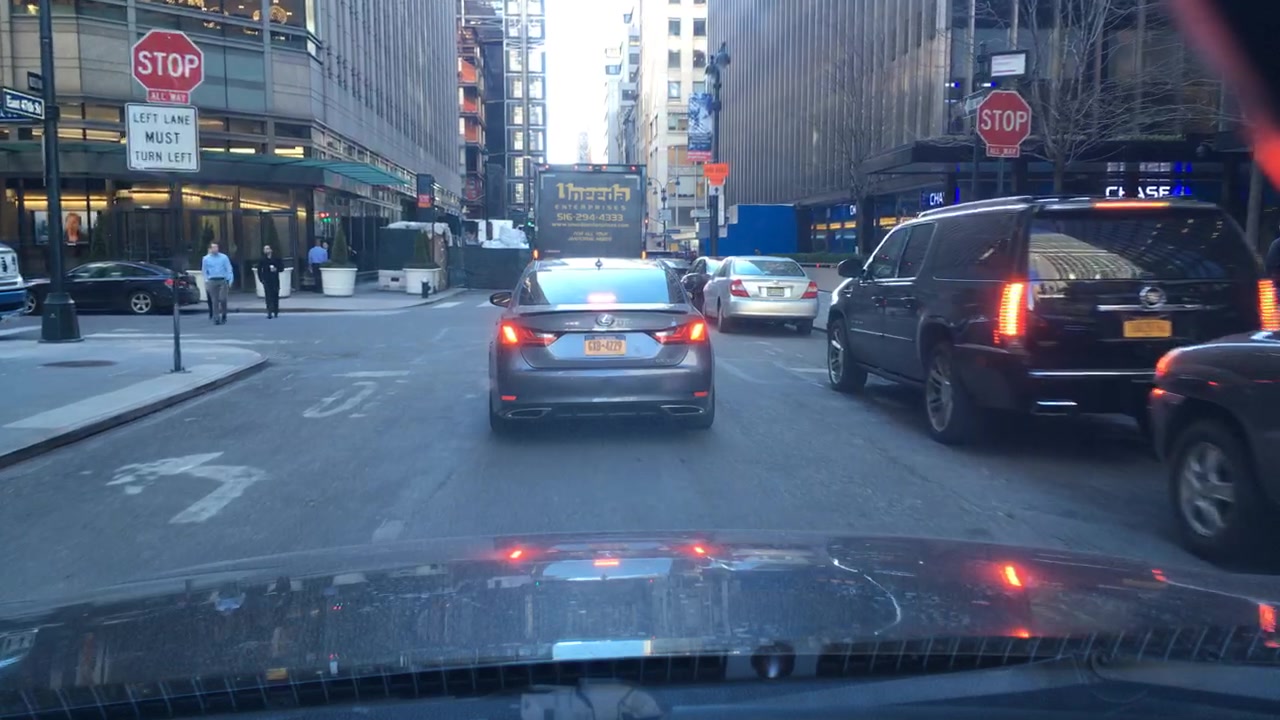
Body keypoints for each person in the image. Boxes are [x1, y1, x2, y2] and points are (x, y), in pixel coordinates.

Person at [202, 242, 234, 325]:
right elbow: (204, 271)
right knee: (214, 300)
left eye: (216, 247)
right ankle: (216, 318)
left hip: (222, 280)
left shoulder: (224, 257)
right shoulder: (206, 259)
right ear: (210, 249)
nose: (215, 249)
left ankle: (224, 314)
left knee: (223, 299)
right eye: (213, 247)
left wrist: (230, 280)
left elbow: (229, 268)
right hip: (212, 280)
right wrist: (206, 281)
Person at [257, 244, 284, 318]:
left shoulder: (276, 258)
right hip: (267, 280)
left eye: (268, 248)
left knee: (275, 295)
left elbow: (281, 268)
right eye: (265, 249)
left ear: (271, 250)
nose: (266, 250)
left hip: (275, 279)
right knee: (268, 296)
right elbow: (259, 269)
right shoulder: (262, 259)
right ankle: (269, 311)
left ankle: (276, 311)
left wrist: (276, 269)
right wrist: (261, 279)